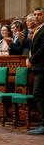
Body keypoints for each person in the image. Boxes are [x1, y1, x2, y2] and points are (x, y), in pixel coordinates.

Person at [26, 7, 44, 135]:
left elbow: (43, 48)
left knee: (38, 93)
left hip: (42, 66)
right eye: (35, 14)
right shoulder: (38, 29)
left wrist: (31, 59)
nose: (36, 17)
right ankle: (42, 122)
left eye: (39, 14)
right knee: (39, 94)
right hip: (37, 66)